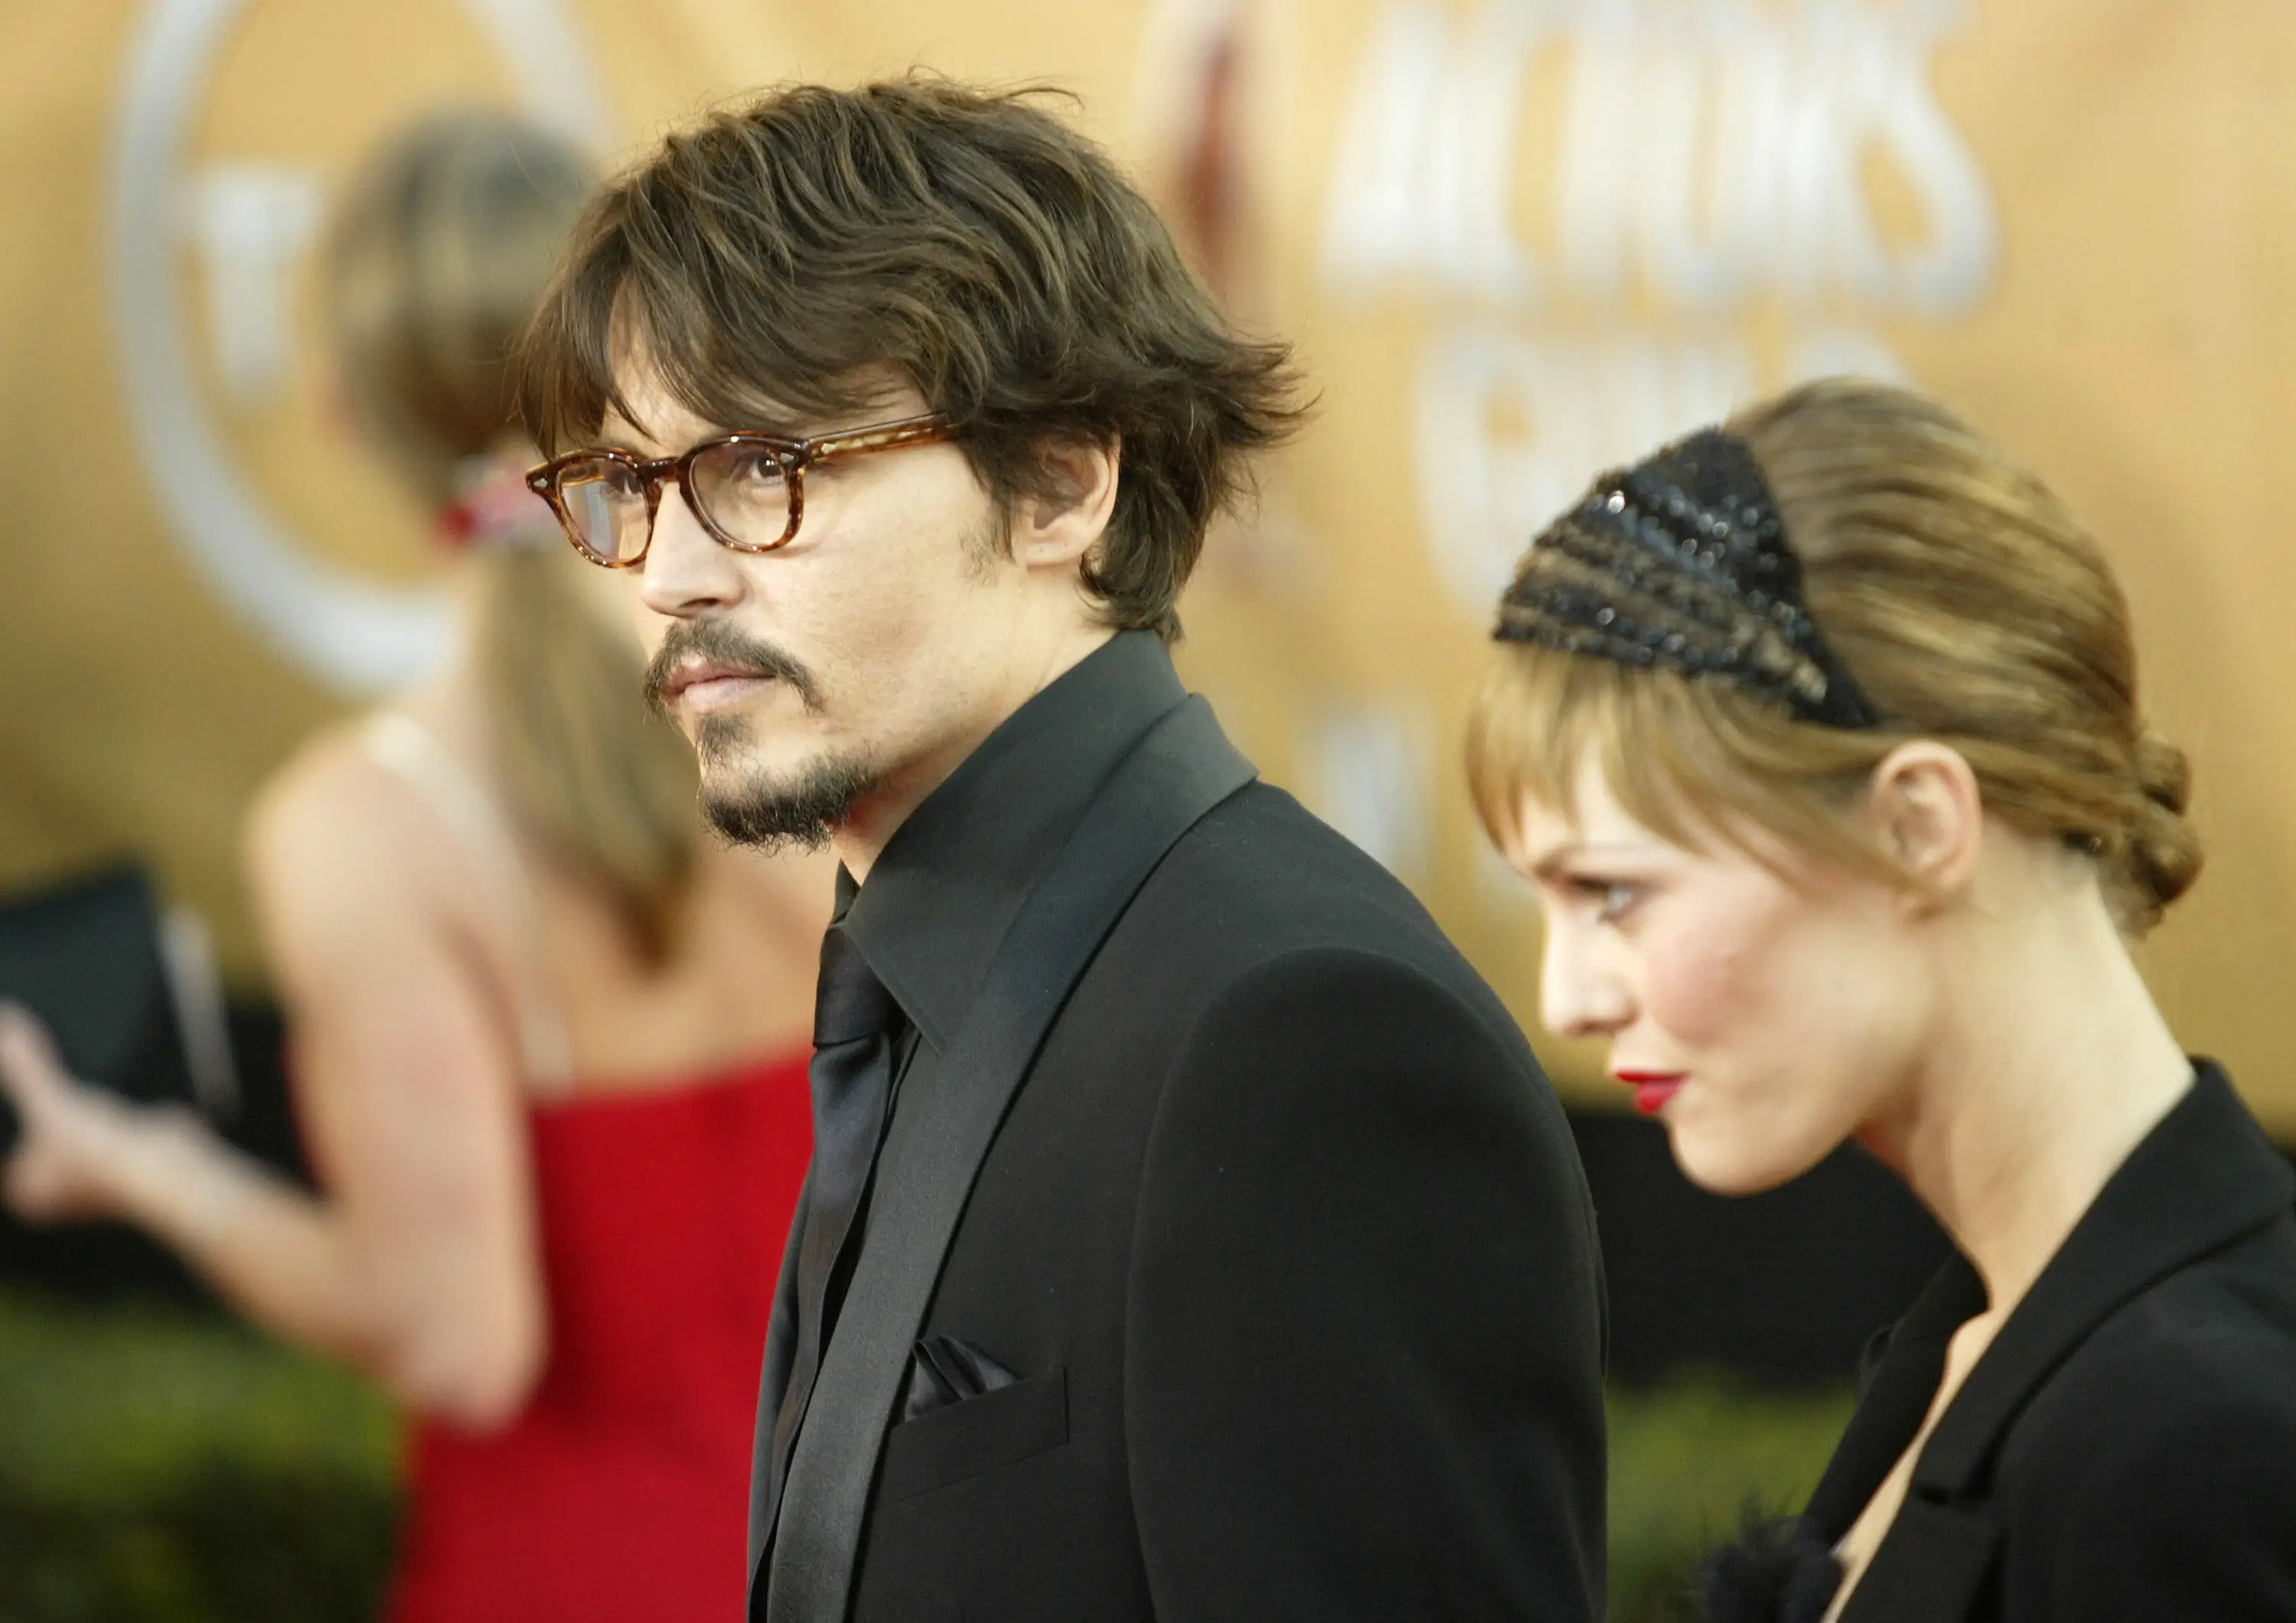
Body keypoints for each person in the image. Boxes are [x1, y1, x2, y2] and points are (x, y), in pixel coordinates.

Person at [514, 78, 1606, 1623]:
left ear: (1060, 480)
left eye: (766, 467)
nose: (673, 574)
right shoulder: (928, 963)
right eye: (630, 487)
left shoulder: (1299, 1038)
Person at [0, 108, 831, 1622]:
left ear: (338, 412)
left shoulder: (366, 832)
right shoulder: (812, 701)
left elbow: (463, 1345)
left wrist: (157, 1173)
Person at [1469, 377, 2296, 1622]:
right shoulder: (1981, 1344)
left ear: (1918, 826)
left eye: (1617, 894)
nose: (1568, 997)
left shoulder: (2190, 1443)